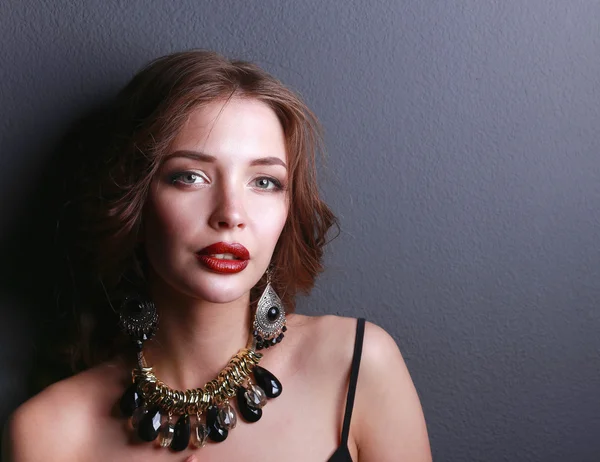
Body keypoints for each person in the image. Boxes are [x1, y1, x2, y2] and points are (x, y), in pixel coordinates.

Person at [3, 50, 432, 461]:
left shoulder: (356, 366)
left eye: (264, 182)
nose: (231, 214)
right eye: (190, 176)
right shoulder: (48, 433)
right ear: (134, 199)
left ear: (289, 208)